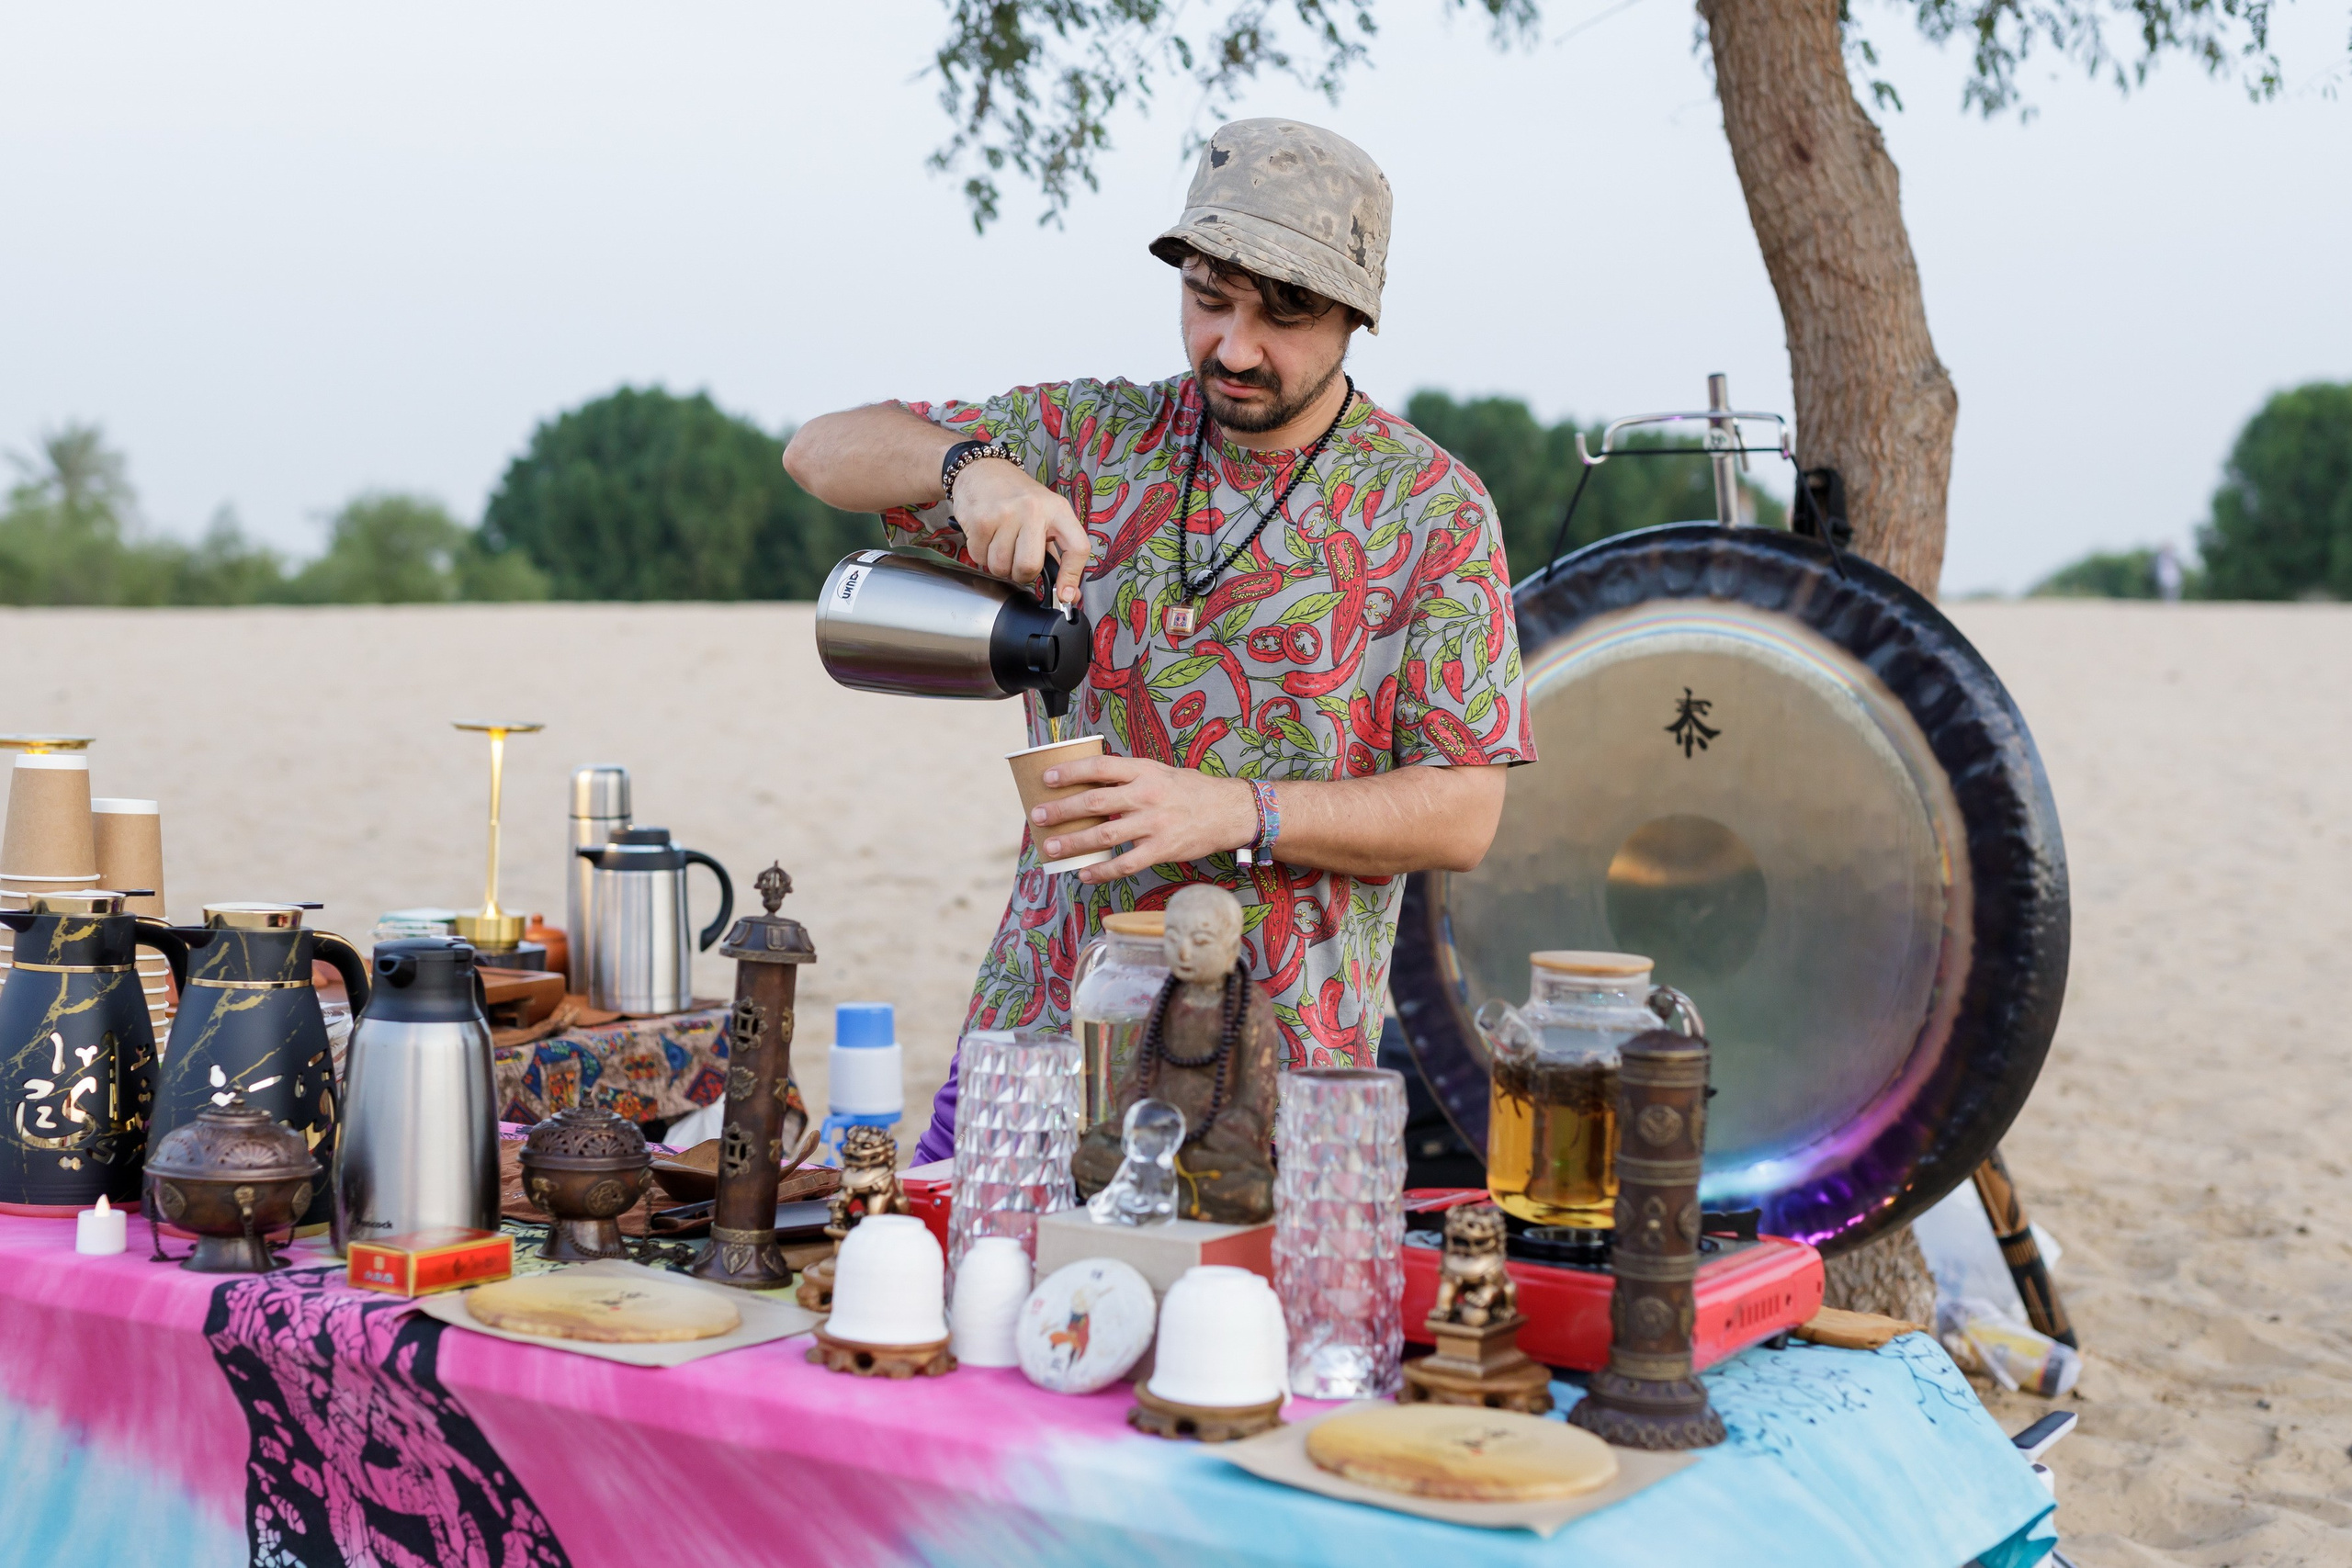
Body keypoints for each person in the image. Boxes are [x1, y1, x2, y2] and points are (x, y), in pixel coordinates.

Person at [784, 118, 1534, 1163]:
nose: (1234, 347)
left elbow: (1463, 811)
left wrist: (1232, 810)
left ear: (1356, 315)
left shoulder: (1431, 508)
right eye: (1208, 298)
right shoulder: (1093, 438)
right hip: (1032, 1045)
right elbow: (818, 450)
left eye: (1284, 314)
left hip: (1275, 1087)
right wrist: (973, 469)